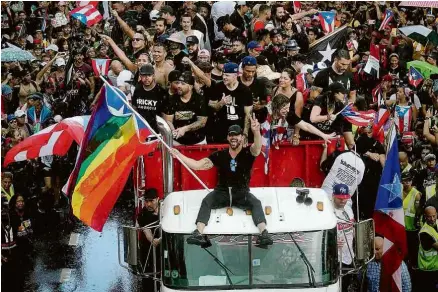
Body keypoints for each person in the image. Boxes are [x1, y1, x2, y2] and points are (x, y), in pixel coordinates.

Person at [170, 121, 273, 248]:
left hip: (241, 193)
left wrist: (256, 131)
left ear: (242, 137)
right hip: (222, 192)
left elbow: (257, 147)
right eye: (231, 135)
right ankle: (198, 232)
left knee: (255, 203)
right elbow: (197, 165)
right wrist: (179, 155)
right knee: (207, 201)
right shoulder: (219, 155)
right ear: (228, 137)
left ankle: (264, 233)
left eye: (236, 135)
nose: (233, 137)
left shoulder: (248, 153)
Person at [209, 62, 252, 143]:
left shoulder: (245, 91)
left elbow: (248, 115)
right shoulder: (218, 87)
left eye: (227, 75)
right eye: (223, 74)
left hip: (238, 131)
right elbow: (211, 108)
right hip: (221, 131)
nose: (224, 77)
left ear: (235, 76)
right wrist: (221, 103)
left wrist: (245, 134)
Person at [163, 71, 208, 145]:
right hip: (177, 141)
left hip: (198, 142)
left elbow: (202, 122)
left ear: (190, 87)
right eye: (178, 83)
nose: (179, 86)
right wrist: (174, 131)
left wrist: (185, 129)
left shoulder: (199, 100)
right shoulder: (171, 100)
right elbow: (168, 121)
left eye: (183, 84)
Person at [332, 183, 356, 291]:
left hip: (349, 256)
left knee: (346, 285)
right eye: (339, 198)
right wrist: (332, 242)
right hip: (336, 258)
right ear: (333, 196)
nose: (342, 201)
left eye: (345, 198)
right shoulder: (329, 211)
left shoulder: (348, 209)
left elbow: (352, 224)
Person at [131, 64, 167, 133]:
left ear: (153, 76)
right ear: (140, 76)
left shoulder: (161, 92)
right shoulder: (138, 89)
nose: (146, 78)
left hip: (156, 130)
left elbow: (165, 116)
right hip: (140, 128)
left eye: (149, 75)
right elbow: (134, 108)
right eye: (144, 76)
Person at [401, 171, 422, 269]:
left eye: (408, 180)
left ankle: (414, 267)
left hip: (412, 228)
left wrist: (417, 222)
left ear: (411, 181)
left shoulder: (416, 194)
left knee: (413, 249)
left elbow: (418, 211)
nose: (406, 183)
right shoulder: (399, 192)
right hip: (401, 226)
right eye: (404, 181)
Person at [417, 206, 438, 290]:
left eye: (434, 216)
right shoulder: (424, 233)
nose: (432, 219)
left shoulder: (436, 223)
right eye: (429, 216)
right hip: (428, 269)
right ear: (425, 216)